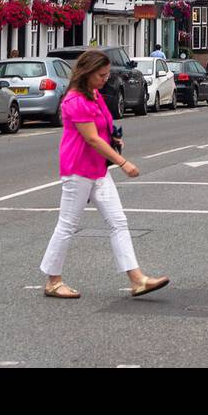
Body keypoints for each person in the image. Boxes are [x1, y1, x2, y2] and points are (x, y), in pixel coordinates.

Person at [40, 50, 169, 299]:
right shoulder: (75, 101)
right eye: (101, 74)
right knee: (67, 225)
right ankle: (53, 281)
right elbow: (90, 138)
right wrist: (123, 162)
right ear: (87, 74)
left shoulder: (94, 95)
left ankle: (137, 279)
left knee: (118, 222)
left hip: (98, 170)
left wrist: (114, 136)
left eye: (107, 74)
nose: (105, 78)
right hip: (78, 169)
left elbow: (104, 127)